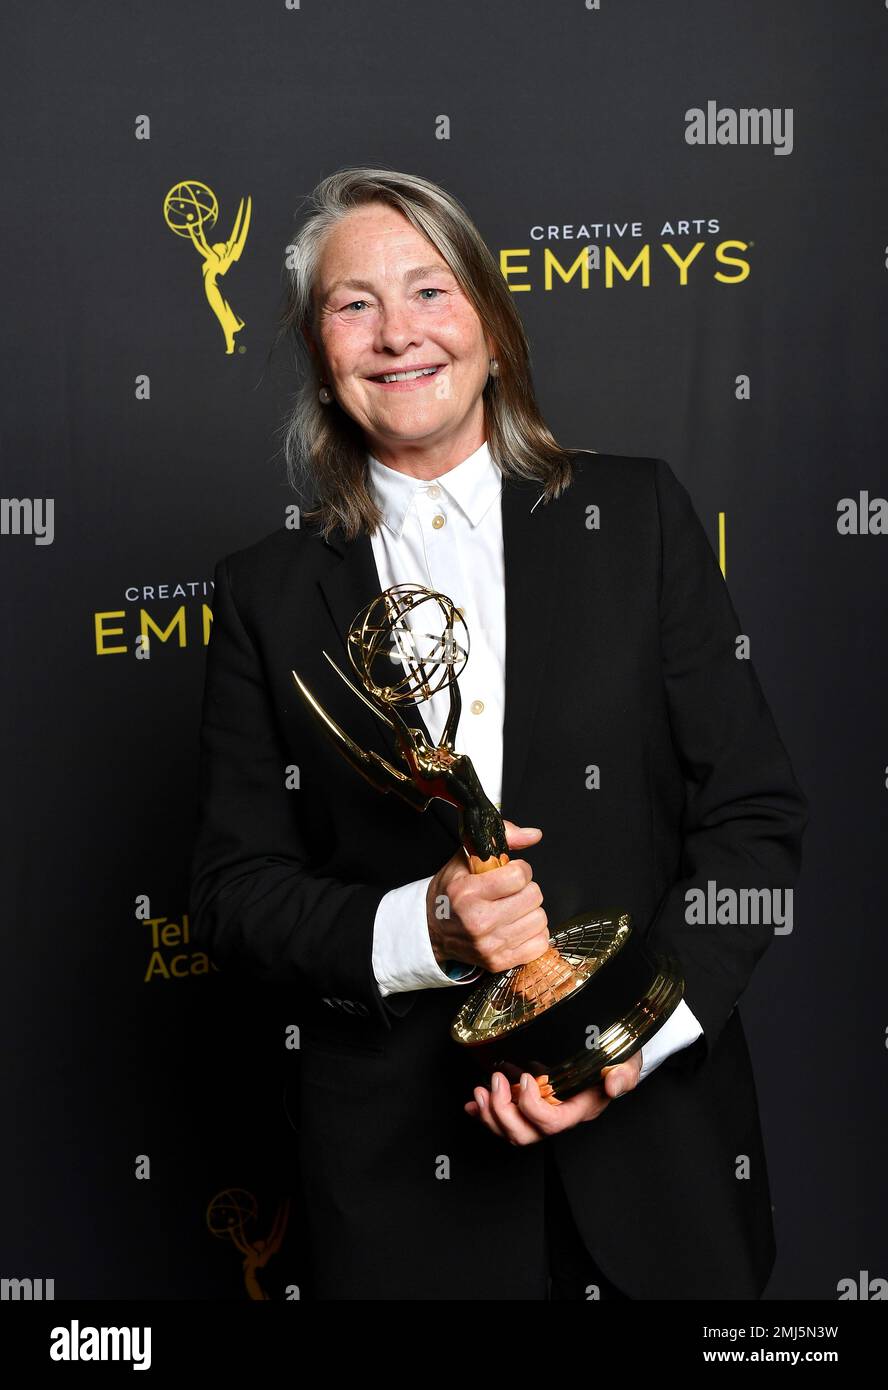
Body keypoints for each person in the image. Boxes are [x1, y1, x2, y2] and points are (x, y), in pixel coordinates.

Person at [189, 166, 808, 1301]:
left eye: (429, 290)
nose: (396, 334)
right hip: (397, 1201)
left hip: (658, 1175)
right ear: (319, 351)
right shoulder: (264, 596)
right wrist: (420, 924)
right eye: (353, 304)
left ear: (489, 316)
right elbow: (234, 893)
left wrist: (621, 1044)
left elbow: (752, 823)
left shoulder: (639, 519)